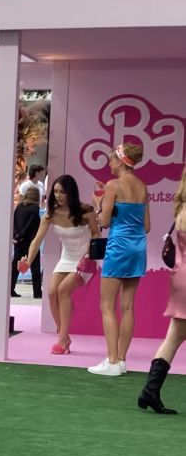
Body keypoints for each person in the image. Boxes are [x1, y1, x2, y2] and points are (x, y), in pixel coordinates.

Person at [19, 174, 98, 355]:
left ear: (71, 193)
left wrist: (89, 255)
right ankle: (65, 335)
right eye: (55, 192)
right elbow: (37, 240)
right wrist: (28, 261)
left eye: (62, 192)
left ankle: (62, 339)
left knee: (63, 290)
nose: (58, 195)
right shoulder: (50, 214)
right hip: (66, 259)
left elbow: (95, 234)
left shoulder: (86, 211)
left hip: (85, 260)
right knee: (51, 292)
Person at [89, 143, 149, 376]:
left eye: (111, 159)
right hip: (138, 248)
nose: (109, 163)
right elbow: (147, 226)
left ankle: (112, 362)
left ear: (121, 161)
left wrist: (97, 205)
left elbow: (103, 222)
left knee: (106, 305)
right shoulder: (143, 187)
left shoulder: (113, 186)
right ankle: (121, 360)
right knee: (128, 306)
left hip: (118, 247)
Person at [138, 165, 186, 414]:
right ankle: (149, 391)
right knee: (174, 336)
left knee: (174, 336)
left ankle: (150, 391)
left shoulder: (181, 207)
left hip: (181, 276)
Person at [10, 185, 42, 298]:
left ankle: (10, 289)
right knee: (35, 267)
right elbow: (31, 224)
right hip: (30, 242)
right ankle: (37, 292)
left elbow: (14, 223)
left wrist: (17, 235)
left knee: (15, 267)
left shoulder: (19, 207)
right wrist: (22, 235)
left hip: (19, 242)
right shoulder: (35, 209)